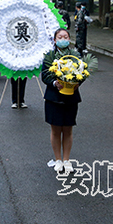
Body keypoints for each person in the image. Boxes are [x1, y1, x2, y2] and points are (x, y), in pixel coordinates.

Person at [41, 28, 82, 173]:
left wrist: (77, 82)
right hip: (54, 98)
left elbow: (82, 72)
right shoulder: (49, 56)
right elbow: (45, 75)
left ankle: (67, 160)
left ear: (69, 39)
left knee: (68, 129)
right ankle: (58, 159)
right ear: (55, 40)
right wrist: (54, 83)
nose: (63, 39)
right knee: (56, 129)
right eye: (60, 36)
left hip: (71, 97)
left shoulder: (75, 55)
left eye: (65, 36)